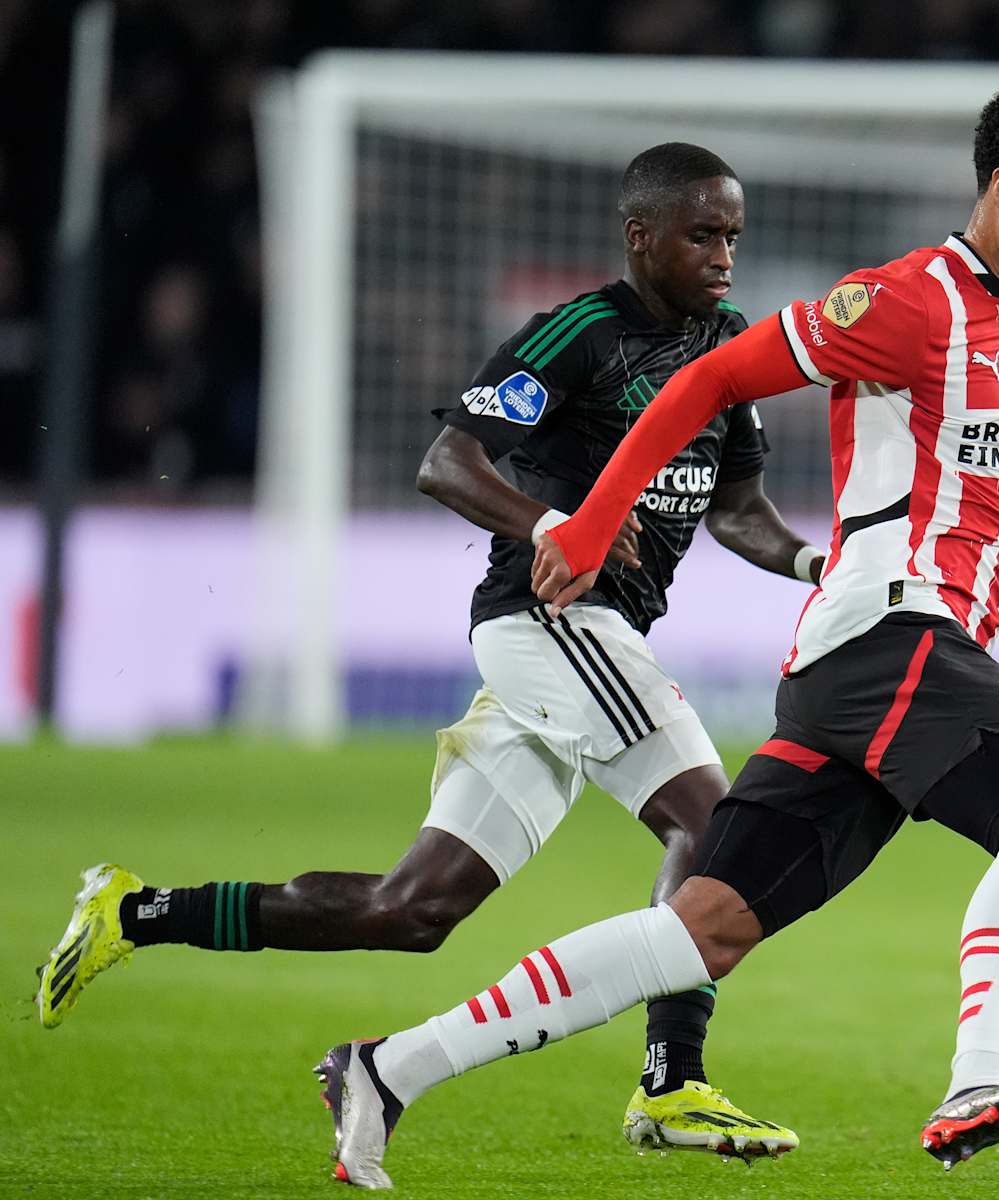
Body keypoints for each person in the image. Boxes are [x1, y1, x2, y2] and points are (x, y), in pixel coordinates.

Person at [314, 76, 999, 1189]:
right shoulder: (903, 303)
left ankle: (388, 1068)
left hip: (863, 673)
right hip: (892, 625)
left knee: (703, 929)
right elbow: (715, 377)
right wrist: (588, 521)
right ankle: (978, 1080)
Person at [36, 142, 809, 1160]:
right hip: (550, 620)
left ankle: (134, 912)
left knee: (412, 910)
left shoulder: (726, 348)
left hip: (585, 646)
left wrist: (812, 563)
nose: (723, 255)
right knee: (720, 831)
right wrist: (550, 525)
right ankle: (673, 1084)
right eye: (704, 233)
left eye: (734, 236)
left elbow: (740, 507)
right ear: (642, 234)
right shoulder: (582, 334)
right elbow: (447, 461)